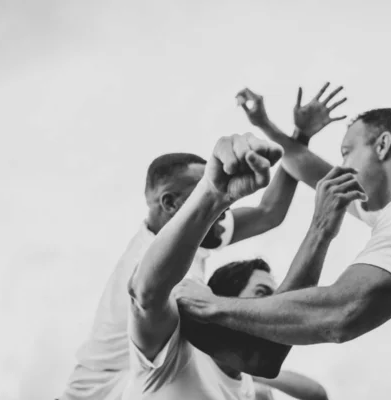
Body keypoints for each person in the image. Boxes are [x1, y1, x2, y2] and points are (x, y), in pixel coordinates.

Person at [175, 89, 391, 400]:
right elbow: (307, 168)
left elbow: (342, 313)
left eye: (347, 152)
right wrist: (278, 129)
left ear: (382, 146)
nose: (340, 167)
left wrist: (212, 306)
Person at [59, 90, 351, 400]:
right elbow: (261, 354)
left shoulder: (195, 242)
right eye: (206, 193)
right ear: (171, 204)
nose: (224, 209)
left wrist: (300, 136)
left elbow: (268, 213)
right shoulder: (158, 271)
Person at [123, 133, 351, 399]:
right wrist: (213, 193)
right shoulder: (173, 351)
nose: (277, 305)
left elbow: (313, 393)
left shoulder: (246, 387)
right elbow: (146, 293)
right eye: (262, 294)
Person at [207, 259, 328, 400]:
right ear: (226, 298)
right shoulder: (183, 347)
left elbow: (317, 395)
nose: (272, 307)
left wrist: (251, 370)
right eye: (262, 293)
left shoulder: (249, 386)